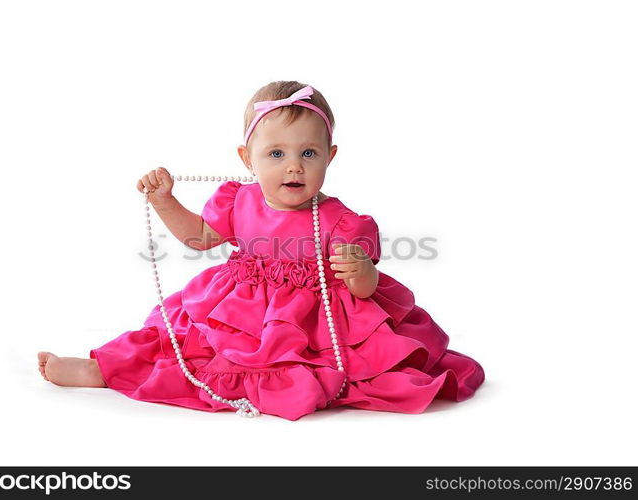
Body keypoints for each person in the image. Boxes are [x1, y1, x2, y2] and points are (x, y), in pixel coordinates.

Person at [38, 80, 485, 421]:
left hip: (311, 323)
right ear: (246, 157)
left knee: (350, 366)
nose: (293, 165)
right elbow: (199, 237)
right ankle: (100, 371)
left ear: (330, 156)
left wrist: (360, 271)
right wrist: (164, 201)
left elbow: (366, 292)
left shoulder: (343, 222)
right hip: (240, 311)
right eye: (276, 153)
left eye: (309, 153)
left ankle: (285, 382)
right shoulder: (239, 200)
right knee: (183, 346)